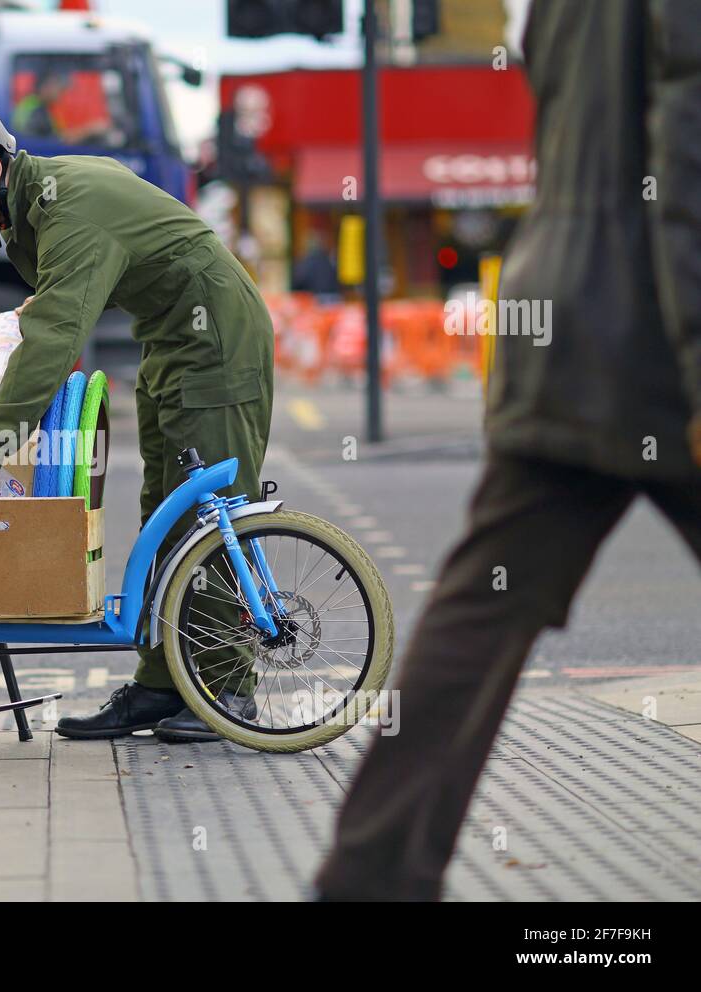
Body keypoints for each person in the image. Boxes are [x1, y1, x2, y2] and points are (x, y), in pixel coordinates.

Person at [313, 1, 701, 901]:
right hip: (655, 335)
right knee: (480, 613)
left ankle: (367, 879)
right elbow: (685, 174)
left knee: (479, 615)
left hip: (561, 319)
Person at [0, 94, 274, 742]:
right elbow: (57, 313)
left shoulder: (69, 208)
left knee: (210, 518)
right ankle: (165, 683)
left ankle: (227, 690)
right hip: (171, 342)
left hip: (217, 345)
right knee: (164, 517)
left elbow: (54, 338)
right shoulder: (30, 212)